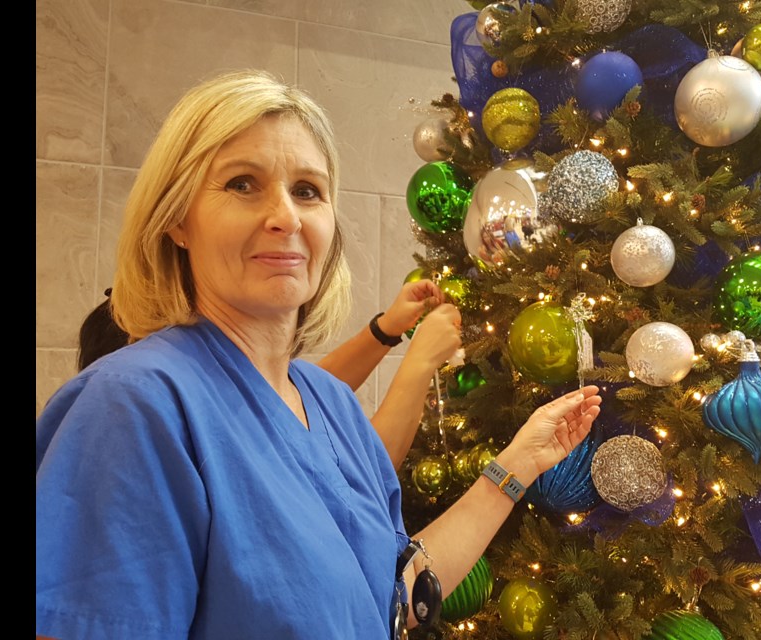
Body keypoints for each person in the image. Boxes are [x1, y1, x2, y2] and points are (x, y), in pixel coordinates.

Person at [35, 69, 602, 640]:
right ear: (178, 220)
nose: (285, 217)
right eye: (241, 184)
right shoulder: (133, 408)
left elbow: (393, 596)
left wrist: (519, 463)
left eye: (307, 190)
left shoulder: (327, 401)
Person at [76, 277, 457, 468]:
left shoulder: (215, 395)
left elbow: (292, 400)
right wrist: (420, 362)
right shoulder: (157, 420)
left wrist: (385, 331)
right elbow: (361, 473)